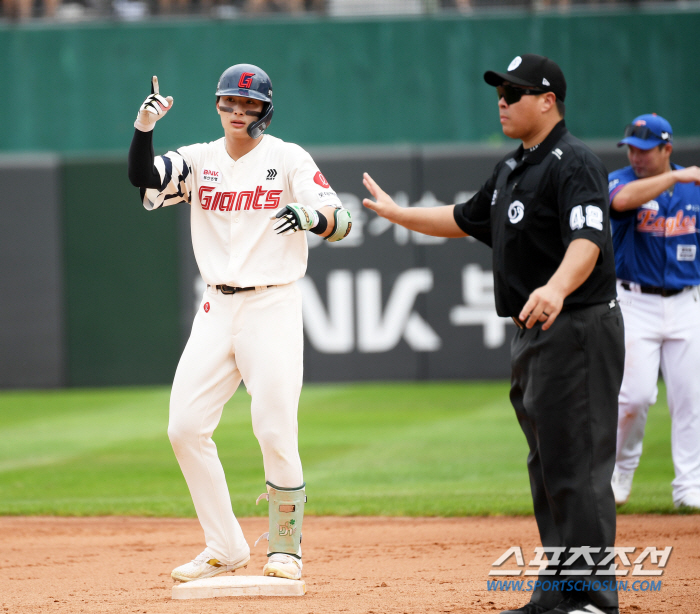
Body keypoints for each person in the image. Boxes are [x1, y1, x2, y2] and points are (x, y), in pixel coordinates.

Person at [362, 54, 624, 614]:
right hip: (534, 334)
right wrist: (396, 213)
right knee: (549, 465)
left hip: (575, 324)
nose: (502, 101)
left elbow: (589, 240)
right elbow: (462, 219)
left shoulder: (573, 162)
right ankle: (559, 591)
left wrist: (555, 288)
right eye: (500, 92)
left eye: (515, 92)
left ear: (548, 100)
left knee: (577, 465)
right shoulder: (513, 169)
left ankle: (594, 599)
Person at [127, 64, 352, 583]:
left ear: (264, 111)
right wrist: (144, 128)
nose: (237, 111)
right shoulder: (200, 159)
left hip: (272, 304)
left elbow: (340, 221)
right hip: (216, 306)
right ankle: (225, 545)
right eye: (230, 102)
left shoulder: (287, 157)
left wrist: (312, 218)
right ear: (217, 105)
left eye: (249, 105)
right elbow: (145, 178)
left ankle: (286, 549)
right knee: (184, 427)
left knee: (274, 429)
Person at [608, 113, 700, 510]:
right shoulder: (622, 180)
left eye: (645, 150)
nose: (636, 156)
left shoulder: (694, 190)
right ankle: (620, 475)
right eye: (631, 148)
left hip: (686, 301)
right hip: (635, 301)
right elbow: (621, 202)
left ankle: (689, 487)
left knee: (690, 399)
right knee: (634, 397)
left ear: (667, 148)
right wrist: (677, 178)